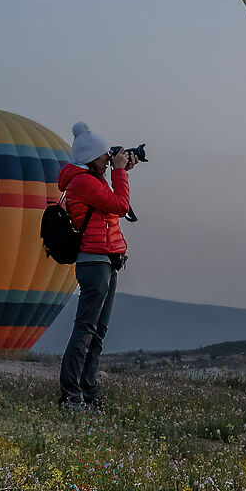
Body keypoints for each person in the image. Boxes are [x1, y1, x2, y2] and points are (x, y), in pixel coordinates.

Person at [57, 123, 138, 408]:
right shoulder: (83, 182)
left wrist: (121, 170)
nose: (107, 158)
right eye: (104, 155)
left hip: (108, 259)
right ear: (92, 157)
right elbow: (121, 205)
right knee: (86, 328)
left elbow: (112, 205)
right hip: (94, 261)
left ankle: (88, 392)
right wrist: (118, 172)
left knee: (98, 331)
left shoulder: (93, 179)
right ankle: (71, 394)